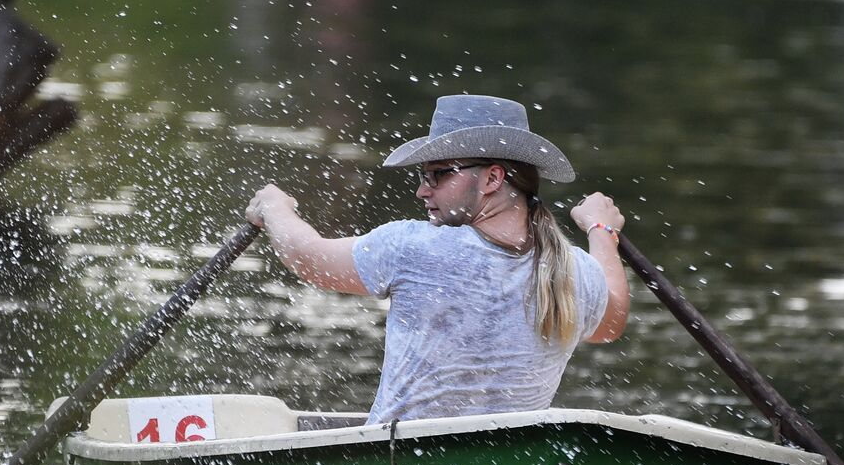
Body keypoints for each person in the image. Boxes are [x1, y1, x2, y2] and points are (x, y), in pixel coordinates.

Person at [245, 94, 629, 424]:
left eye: (437, 176)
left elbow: (308, 259)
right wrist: (601, 231)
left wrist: (276, 208)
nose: (421, 191)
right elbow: (610, 324)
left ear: (493, 179)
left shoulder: (413, 248)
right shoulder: (576, 271)